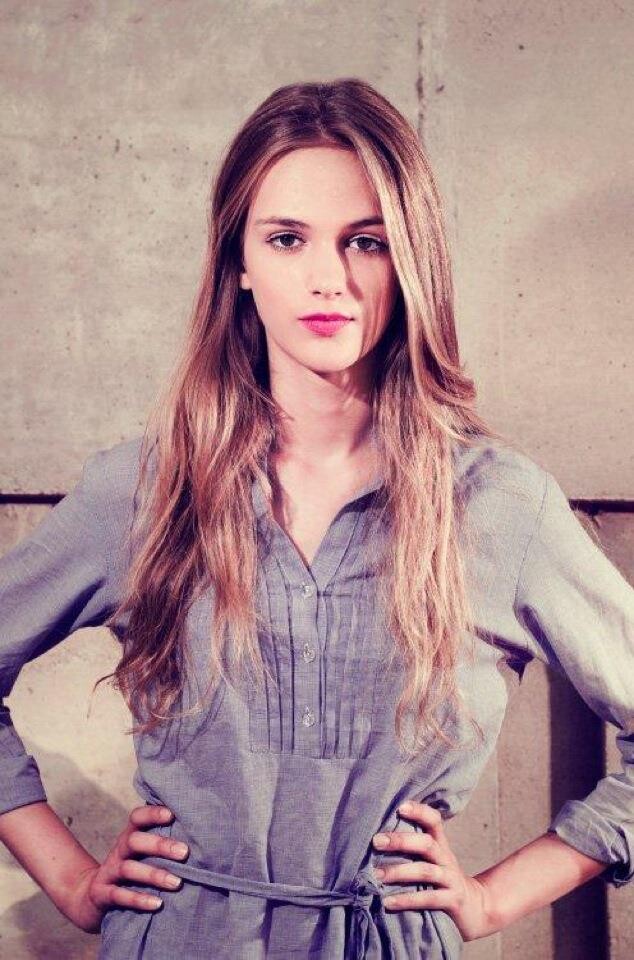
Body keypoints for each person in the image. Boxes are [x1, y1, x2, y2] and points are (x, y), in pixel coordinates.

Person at [0, 78, 632, 960]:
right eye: (287, 238)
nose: (328, 279)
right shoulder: (146, 490)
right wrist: (68, 878)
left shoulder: (500, 506)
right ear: (239, 262)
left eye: (366, 241)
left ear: (410, 261)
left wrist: (493, 899)